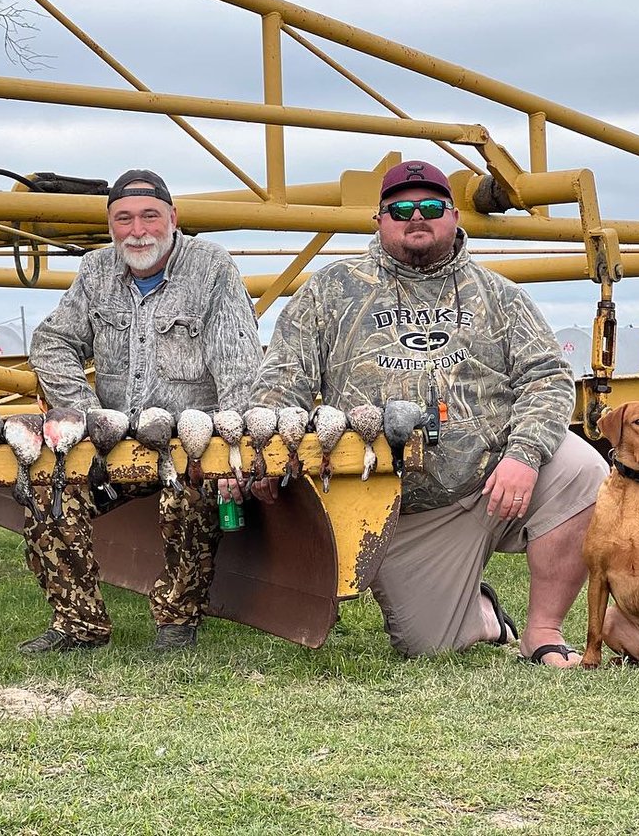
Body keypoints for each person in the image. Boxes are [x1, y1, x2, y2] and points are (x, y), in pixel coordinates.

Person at [248, 159, 607, 667]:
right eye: (401, 210)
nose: (417, 217)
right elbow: (281, 381)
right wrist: (266, 453)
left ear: (455, 215)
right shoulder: (330, 291)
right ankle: (481, 613)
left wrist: (524, 456)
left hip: (495, 478)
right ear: (379, 220)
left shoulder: (500, 296)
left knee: (586, 472)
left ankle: (542, 631)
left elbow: (548, 378)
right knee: (427, 645)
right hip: (402, 509)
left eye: (431, 207)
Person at [25, 169, 263, 654]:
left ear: (173, 218)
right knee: (46, 492)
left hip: (188, 441)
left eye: (150, 217)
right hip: (112, 444)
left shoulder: (211, 268)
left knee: (189, 498)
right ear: (111, 226)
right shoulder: (95, 272)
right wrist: (89, 416)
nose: (138, 231)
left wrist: (232, 455)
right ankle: (79, 624)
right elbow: (52, 342)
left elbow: (239, 366)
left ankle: (177, 621)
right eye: (124, 219)